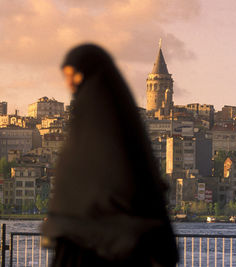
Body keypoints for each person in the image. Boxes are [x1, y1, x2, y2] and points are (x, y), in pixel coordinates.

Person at [41, 44, 178, 267]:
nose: (69, 83)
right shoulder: (110, 131)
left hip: (103, 250)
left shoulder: (110, 133)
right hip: (114, 248)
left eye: (74, 75)